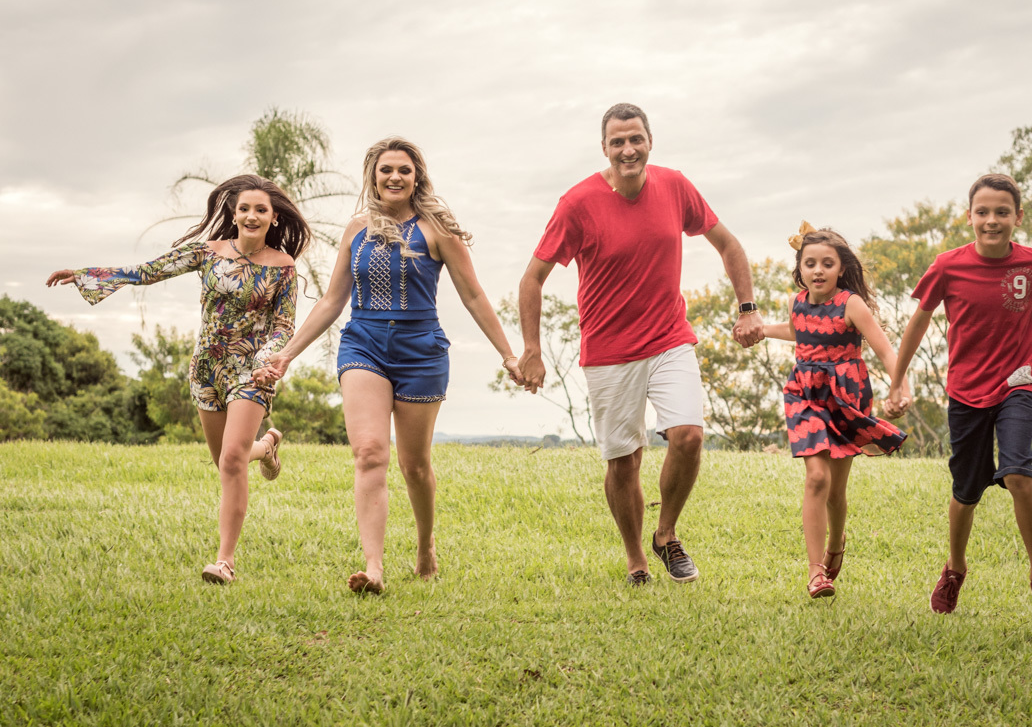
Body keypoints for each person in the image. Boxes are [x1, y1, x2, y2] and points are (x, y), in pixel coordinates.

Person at [256, 137, 523, 594]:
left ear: (417, 175)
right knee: (370, 453)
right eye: (386, 170)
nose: (394, 177)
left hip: (422, 352)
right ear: (373, 176)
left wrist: (508, 354)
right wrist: (286, 354)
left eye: (403, 170)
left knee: (414, 465)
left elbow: (474, 296)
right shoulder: (357, 229)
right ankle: (373, 568)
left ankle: (424, 546)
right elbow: (333, 300)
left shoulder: (437, 230)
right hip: (363, 346)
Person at [518, 102, 764, 586]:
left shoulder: (674, 186)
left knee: (689, 435)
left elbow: (729, 244)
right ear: (605, 149)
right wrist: (532, 349)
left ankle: (666, 533)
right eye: (617, 142)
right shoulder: (577, 203)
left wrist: (748, 308)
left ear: (649, 141)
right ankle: (635, 559)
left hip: (669, 337)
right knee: (624, 460)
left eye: (636, 139)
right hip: (609, 351)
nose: (628, 149)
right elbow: (533, 278)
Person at [46, 174, 309, 584]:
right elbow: (150, 270)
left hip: (251, 371)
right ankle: (268, 446)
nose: (252, 215)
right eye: (244, 208)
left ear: (274, 218)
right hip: (206, 369)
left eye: (261, 210)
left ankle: (224, 561)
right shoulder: (209, 252)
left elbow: (283, 324)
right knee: (225, 461)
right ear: (234, 214)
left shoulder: (283, 267)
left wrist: (269, 357)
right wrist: (87, 274)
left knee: (232, 460)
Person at [885, 173, 1032, 620]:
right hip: (965, 390)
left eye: (1002, 212)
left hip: (1018, 381)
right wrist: (898, 379)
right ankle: (955, 568)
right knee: (967, 490)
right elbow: (917, 324)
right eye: (983, 212)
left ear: (1018, 216)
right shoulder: (947, 266)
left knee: (1018, 472)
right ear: (969, 217)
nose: (992, 220)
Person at [762, 223, 909, 599]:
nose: (818, 270)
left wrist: (900, 387)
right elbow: (799, 330)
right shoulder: (798, 302)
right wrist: (761, 330)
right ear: (800, 269)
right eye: (810, 263)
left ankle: (837, 541)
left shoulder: (851, 305)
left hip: (846, 397)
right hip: (805, 394)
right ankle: (815, 574)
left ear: (841, 268)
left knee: (836, 492)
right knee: (816, 478)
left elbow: (886, 351)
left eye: (827, 263)